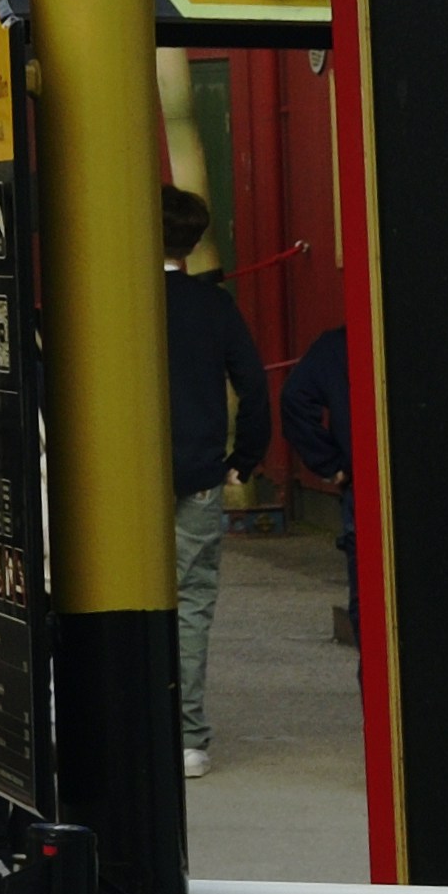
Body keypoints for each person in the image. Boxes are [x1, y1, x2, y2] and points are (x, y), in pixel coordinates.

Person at [161, 190, 272, 781]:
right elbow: (253, 387)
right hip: (200, 472)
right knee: (192, 603)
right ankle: (187, 738)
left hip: (122, 476)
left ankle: (123, 724)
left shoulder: (116, 297)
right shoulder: (213, 305)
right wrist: (244, 459)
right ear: (195, 240)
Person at [278, 310, 356, 646]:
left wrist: (331, 464)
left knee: (367, 606)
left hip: (362, 484)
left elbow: (293, 398)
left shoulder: (336, 345)